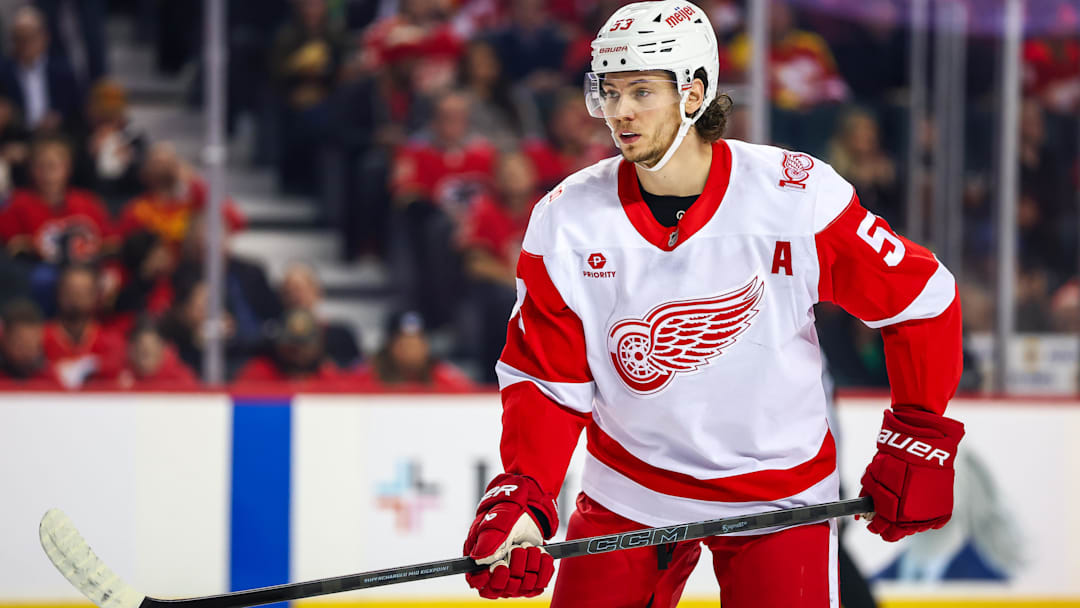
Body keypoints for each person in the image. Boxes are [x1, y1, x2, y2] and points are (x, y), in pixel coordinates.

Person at [461, 3, 965, 606]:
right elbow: (547, 378)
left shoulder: (793, 196)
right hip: (629, 490)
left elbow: (922, 298)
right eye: (611, 91)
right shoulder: (566, 219)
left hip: (779, 494)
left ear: (695, 91)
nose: (620, 112)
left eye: (642, 91)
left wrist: (920, 432)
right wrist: (526, 493)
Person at [43, 264, 125, 388]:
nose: (76, 297)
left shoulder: (112, 343)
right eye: (70, 290)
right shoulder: (40, 339)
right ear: (59, 293)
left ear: (95, 296)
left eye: (83, 291)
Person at [354, 310, 474, 390]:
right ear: (390, 346)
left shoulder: (443, 376)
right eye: (404, 343)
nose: (411, 350)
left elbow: (469, 398)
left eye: (417, 343)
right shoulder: (369, 376)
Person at [279, 261, 362, 368]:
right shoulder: (273, 340)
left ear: (317, 291)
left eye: (299, 290)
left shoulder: (341, 337)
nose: (294, 297)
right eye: (288, 291)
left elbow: (360, 373)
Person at [0, 297, 58, 386]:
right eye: (20, 344)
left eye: (31, 345)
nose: (26, 352)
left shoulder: (51, 379)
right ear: (5, 340)